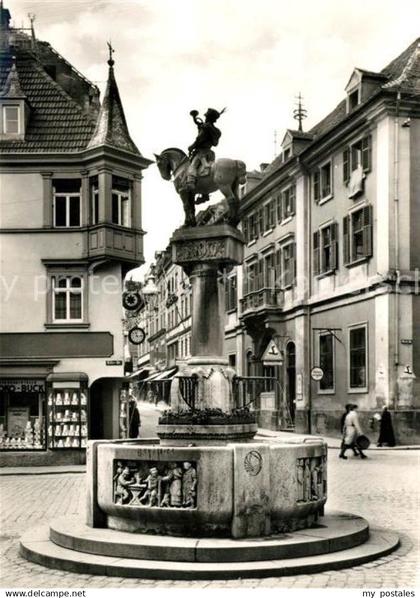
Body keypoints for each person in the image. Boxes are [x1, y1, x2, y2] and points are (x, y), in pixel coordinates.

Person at [186, 108, 224, 201]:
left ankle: (190, 182)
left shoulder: (206, 127)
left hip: (201, 152)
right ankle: (205, 194)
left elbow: (199, 139)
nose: (205, 117)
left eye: (206, 116)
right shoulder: (216, 131)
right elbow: (215, 143)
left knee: (193, 166)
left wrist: (191, 146)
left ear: (208, 118)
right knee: (207, 171)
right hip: (210, 153)